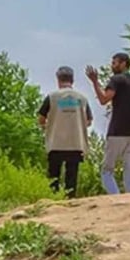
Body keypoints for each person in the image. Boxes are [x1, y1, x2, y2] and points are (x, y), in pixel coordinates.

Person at [85, 52, 130, 195]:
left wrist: (95, 82)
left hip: (117, 131)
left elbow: (104, 100)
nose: (112, 65)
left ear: (123, 63)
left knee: (107, 171)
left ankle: (116, 198)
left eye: (114, 62)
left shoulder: (116, 80)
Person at [37, 66, 93, 195]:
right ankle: (71, 204)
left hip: (55, 143)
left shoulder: (52, 97)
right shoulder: (82, 98)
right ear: (72, 80)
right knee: (71, 178)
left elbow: (41, 119)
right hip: (75, 143)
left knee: (53, 177)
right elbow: (89, 120)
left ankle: (53, 202)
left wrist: (49, 126)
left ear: (58, 79)